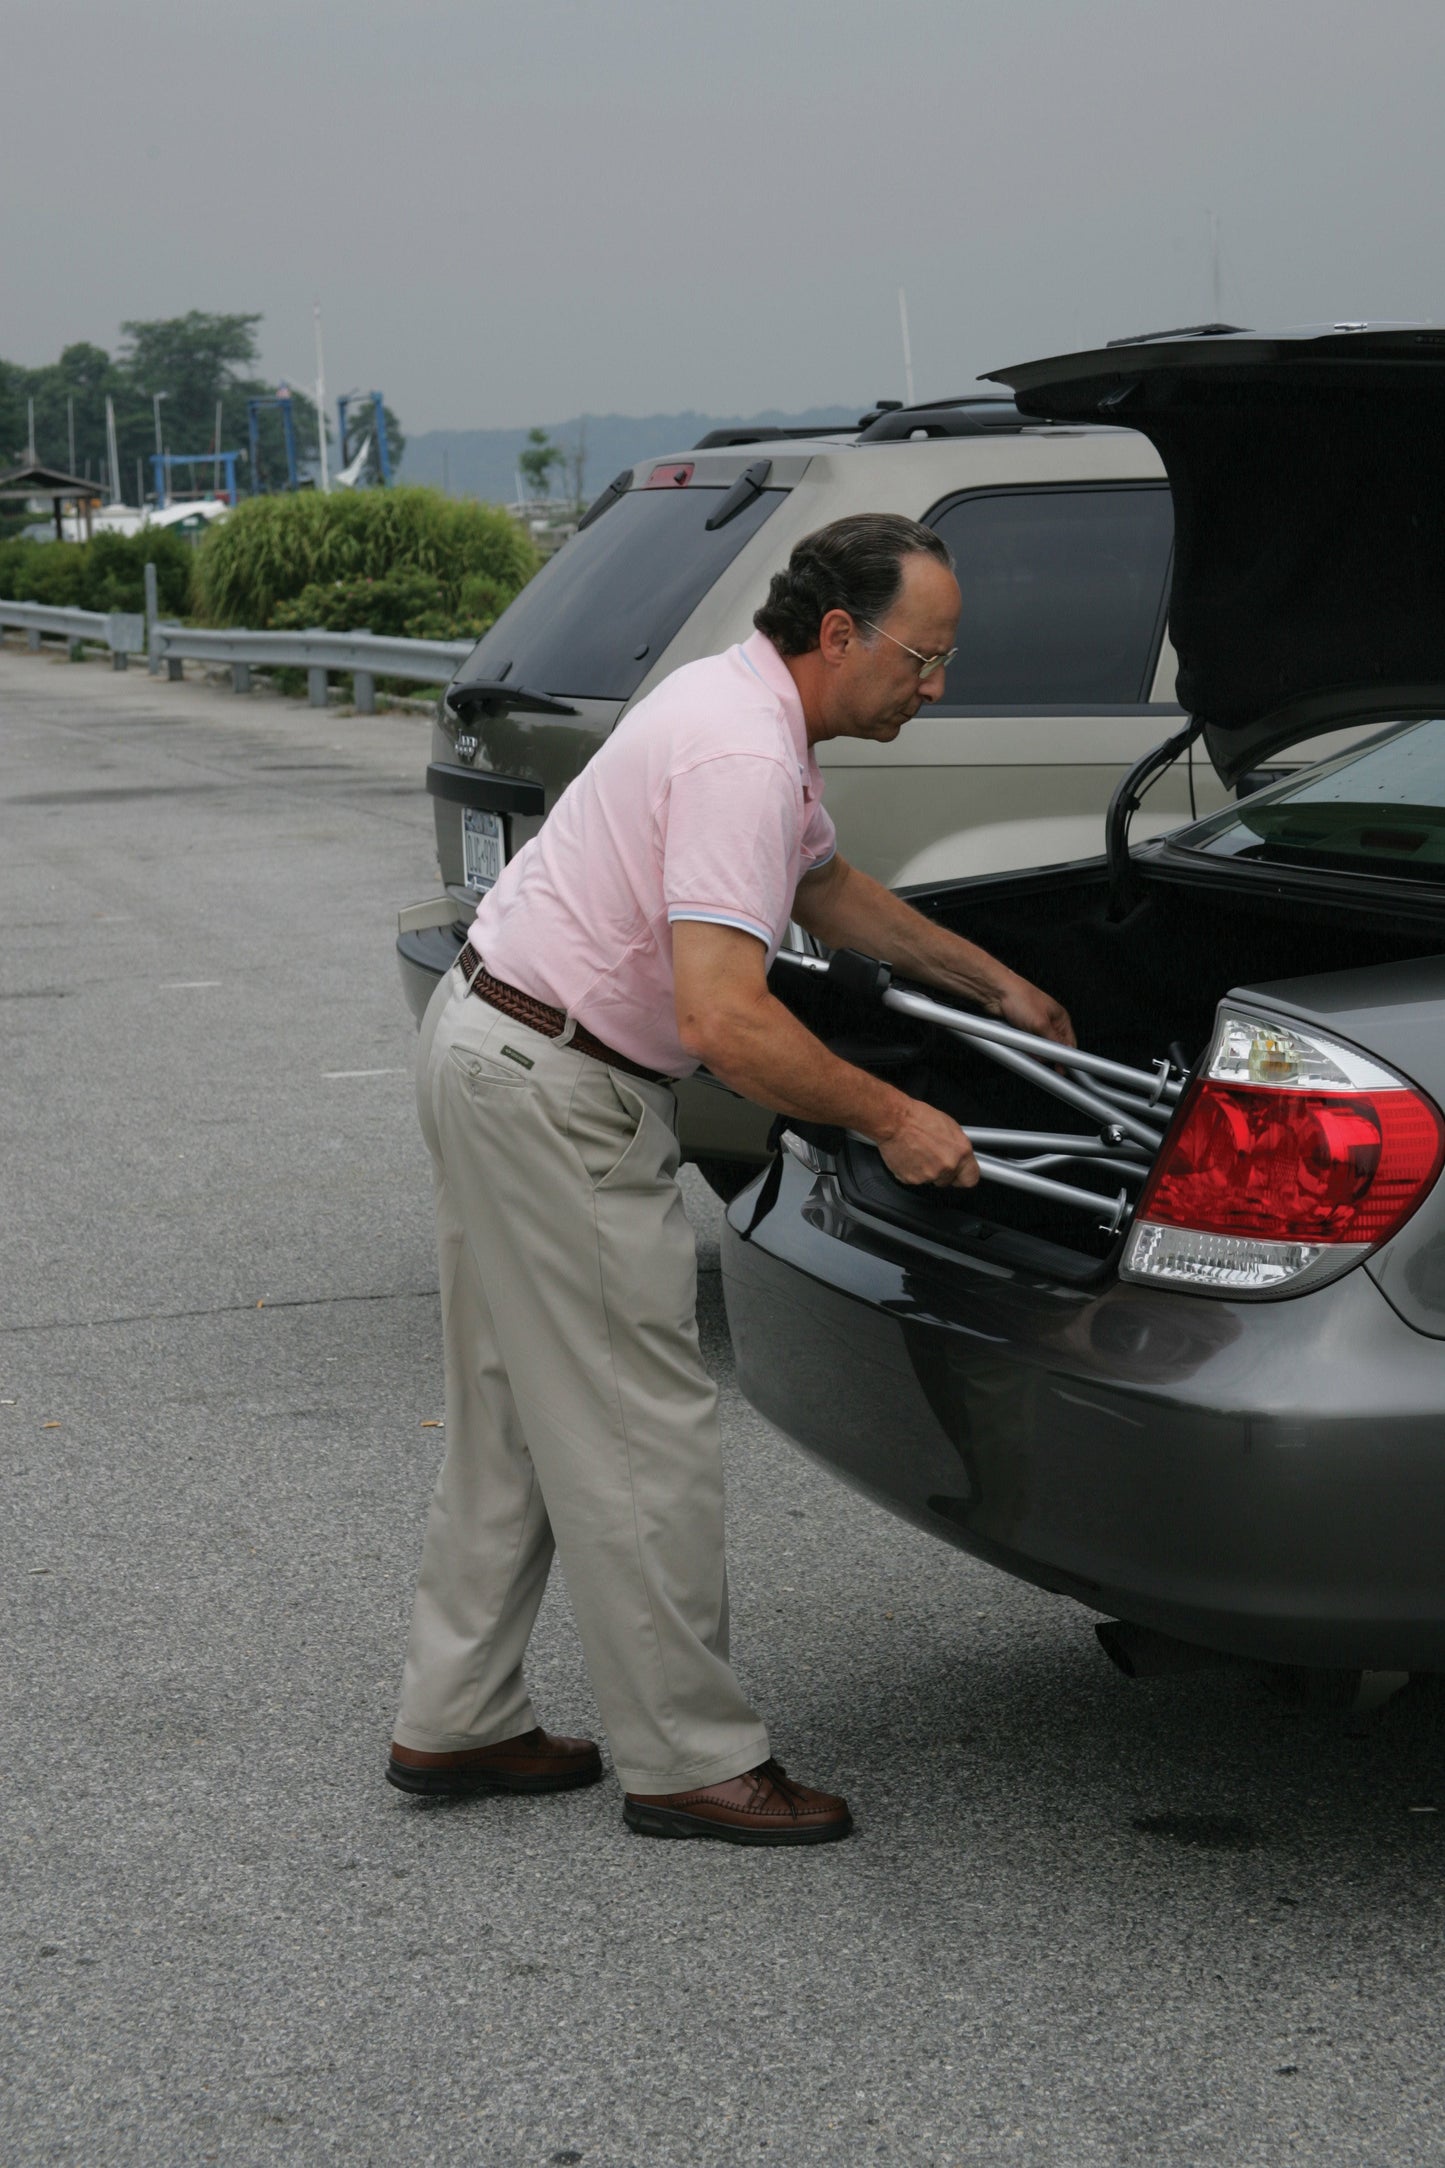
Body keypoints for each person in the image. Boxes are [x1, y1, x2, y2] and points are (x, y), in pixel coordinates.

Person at [388, 512, 1074, 1845]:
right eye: (920, 661)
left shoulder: (743, 702)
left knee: (517, 1412)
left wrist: (989, 983)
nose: (932, 689)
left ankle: (457, 1716)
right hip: (555, 1086)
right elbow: (726, 1021)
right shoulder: (738, 751)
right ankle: (690, 1760)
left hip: (492, 1040)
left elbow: (826, 888)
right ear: (836, 634)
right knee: (641, 1432)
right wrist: (894, 1118)